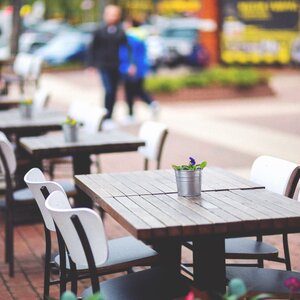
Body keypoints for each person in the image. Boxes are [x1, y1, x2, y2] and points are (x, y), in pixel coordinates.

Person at [87, 5, 127, 128]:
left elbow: (126, 48)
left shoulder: (121, 31)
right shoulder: (99, 31)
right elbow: (92, 48)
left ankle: (110, 116)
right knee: (108, 90)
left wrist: (129, 64)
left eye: (115, 14)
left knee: (114, 91)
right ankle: (106, 115)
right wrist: (91, 65)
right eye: (110, 14)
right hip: (103, 65)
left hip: (116, 65)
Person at [119, 19, 159, 123]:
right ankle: (152, 104)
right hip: (140, 68)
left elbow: (129, 53)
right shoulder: (141, 35)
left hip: (131, 69)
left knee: (130, 92)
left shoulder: (129, 38)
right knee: (139, 90)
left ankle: (131, 115)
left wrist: (130, 66)